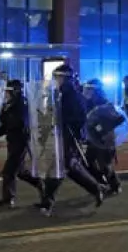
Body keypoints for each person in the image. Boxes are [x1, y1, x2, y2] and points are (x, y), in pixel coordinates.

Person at [39, 64, 106, 215]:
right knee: (68, 169)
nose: (55, 80)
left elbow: (80, 118)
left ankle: (47, 203)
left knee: (58, 169)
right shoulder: (58, 94)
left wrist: (64, 121)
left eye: (58, 77)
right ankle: (96, 188)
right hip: (59, 136)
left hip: (68, 137)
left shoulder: (74, 96)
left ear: (65, 78)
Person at [0, 80, 43, 208]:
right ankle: (41, 184)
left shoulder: (22, 104)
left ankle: (8, 198)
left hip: (20, 141)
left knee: (8, 171)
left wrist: (6, 118)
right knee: (20, 172)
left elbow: (20, 123)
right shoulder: (9, 105)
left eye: (8, 92)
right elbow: (5, 126)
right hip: (12, 140)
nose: (6, 95)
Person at [83, 79, 124, 196]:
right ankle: (101, 183)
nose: (87, 92)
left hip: (105, 139)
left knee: (105, 166)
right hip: (93, 139)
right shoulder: (88, 103)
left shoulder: (105, 104)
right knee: (87, 163)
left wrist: (101, 127)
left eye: (90, 89)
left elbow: (119, 119)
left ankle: (115, 186)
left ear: (96, 91)